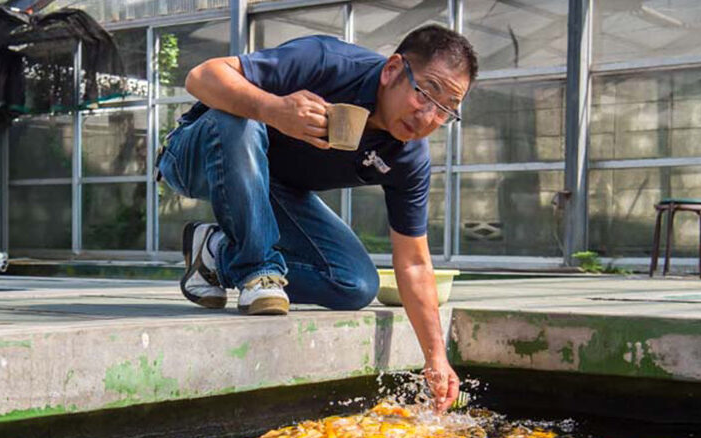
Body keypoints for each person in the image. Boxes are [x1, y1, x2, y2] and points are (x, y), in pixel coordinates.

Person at [156, 25, 476, 412]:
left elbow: (413, 262)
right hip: (196, 153)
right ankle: (255, 267)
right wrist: (273, 110)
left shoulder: (407, 157)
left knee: (354, 284)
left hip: (272, 185)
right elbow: (202, 76)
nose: (428, 115)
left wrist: (436, 358)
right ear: (393, 70)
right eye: (425, 93)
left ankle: (217, 253)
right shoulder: (329, 63)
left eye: (445, 109)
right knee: (240, 120)